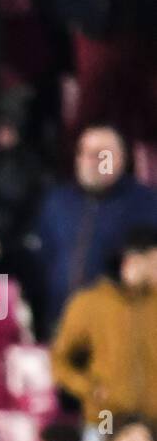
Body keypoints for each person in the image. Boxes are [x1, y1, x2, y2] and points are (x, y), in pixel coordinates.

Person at [36, 127, 157, 335]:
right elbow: (43, 257)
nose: (91, 161)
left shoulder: (145, 204)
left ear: (121, 159)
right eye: (85, 153)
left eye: (101, 154)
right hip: (61, 323)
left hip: (120, 329)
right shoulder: (57, 202)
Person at [51, 227, 157, 429]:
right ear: (132, 261)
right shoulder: (89, 303)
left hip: (153, 421)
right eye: (154, 263)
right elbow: (59, 361)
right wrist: (92, 389)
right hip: (106, 417)